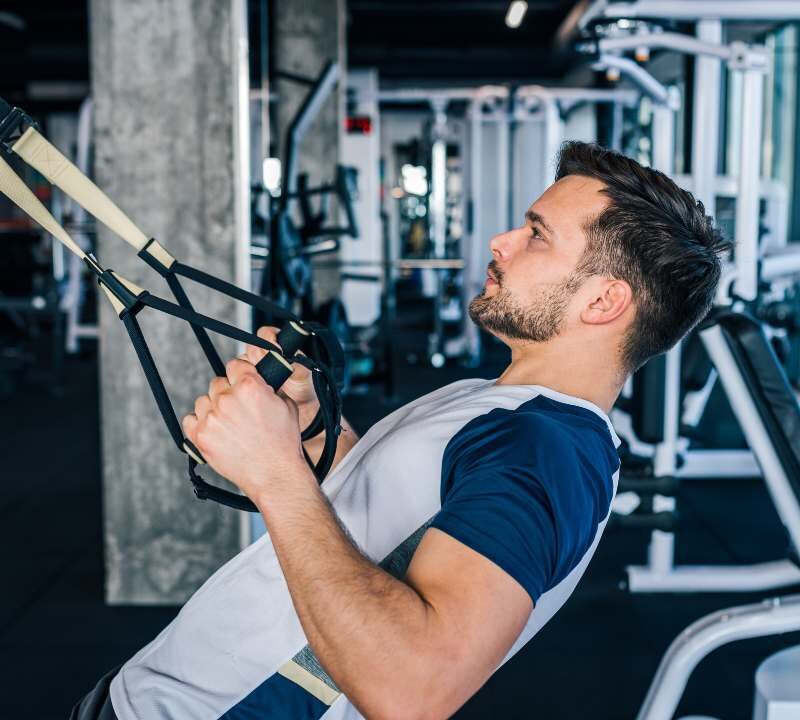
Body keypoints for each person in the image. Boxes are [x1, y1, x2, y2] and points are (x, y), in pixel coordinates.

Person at [72, 141, 730, 720]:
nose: (501, 242)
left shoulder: (544, 450)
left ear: (604, 301)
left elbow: (415, 689)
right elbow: (391, 518)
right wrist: (311, 434)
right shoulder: (503, 405)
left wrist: (273, 474)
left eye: (536, 235)